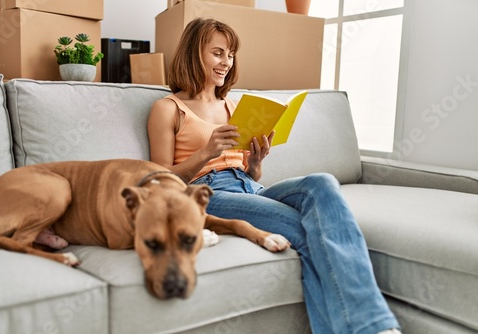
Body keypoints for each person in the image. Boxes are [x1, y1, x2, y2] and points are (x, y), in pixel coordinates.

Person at [147, 17, 402, 334]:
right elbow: (159, 181)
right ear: (193, 53)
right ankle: (372, 327)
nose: (226, 62)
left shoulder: (233, 105)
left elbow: (248, 174)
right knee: (310, 232)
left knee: (321, 183)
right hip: (206, 194)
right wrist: (206, 153)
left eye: (231, 54)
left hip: (249, 187)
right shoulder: (168, 108)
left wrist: (255, 162)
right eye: (218, 53)